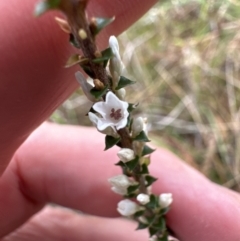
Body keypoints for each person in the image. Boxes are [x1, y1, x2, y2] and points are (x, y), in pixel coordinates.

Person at [0, 0, 240, 240]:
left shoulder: (118, 112)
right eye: (113, 113)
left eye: (118, 112)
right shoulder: (109, 116)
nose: (116, 114)